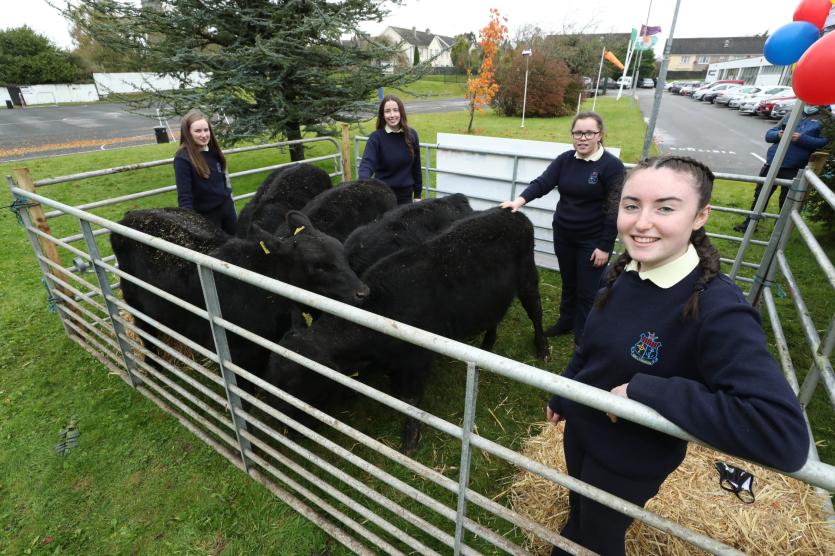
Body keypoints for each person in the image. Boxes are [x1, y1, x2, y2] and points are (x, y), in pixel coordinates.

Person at [546, 155, 809, 556]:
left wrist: (644, 391)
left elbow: (781, 432)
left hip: (628, 457)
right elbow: (592, 346)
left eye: (665, 208)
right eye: (632, 205)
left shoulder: (717, 309)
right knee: (579, 511)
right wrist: (563, 392)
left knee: (600, 536)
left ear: (701, 216)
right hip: (582, 431)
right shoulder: (624, 271)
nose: (641, 222)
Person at [501, 112, 625, 344]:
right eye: (578, 133)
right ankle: (566, 321)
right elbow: (543, 183)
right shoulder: (565, 160)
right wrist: (518, 201)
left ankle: (583, 334)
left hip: (592, 240)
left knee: (587, 290)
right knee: (569, 283)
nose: (582, 138)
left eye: (589, 133)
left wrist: (604, 245)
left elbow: (614, 208)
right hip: (564, 234)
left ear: (600, 135)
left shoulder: (612, 166)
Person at [733, 105, 830, 232]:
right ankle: (749, 225)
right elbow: (769, 135)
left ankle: (778, 232)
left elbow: (824, 142)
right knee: (760, 195)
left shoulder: (827, 119)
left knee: (786, 201)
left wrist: (801, 139)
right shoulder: (794, 112)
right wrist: (778, 135)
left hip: (796, 167)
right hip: (773, 162)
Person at [173, 109, 237, 234]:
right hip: (207, 218)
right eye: (198, 131)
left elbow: (222, 182)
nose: (204, 135)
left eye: (206, 130)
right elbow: (184, 197)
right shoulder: (182, 159)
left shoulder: (213, 151)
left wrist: (228, 203)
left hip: (227, 210)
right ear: (188, 133)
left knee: (236, 242)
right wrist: (189, 225)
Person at [358, 95, 422, 205]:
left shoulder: (412, 135)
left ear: (401, 112)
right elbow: (367, 163)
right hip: (383, 197)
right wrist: (363, 183)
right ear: (383, 115)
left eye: (395, 110)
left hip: (406, 197)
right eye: (387, 111)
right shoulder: (376, 138)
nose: (392, 115)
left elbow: (416, 167)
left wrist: (417, 195)